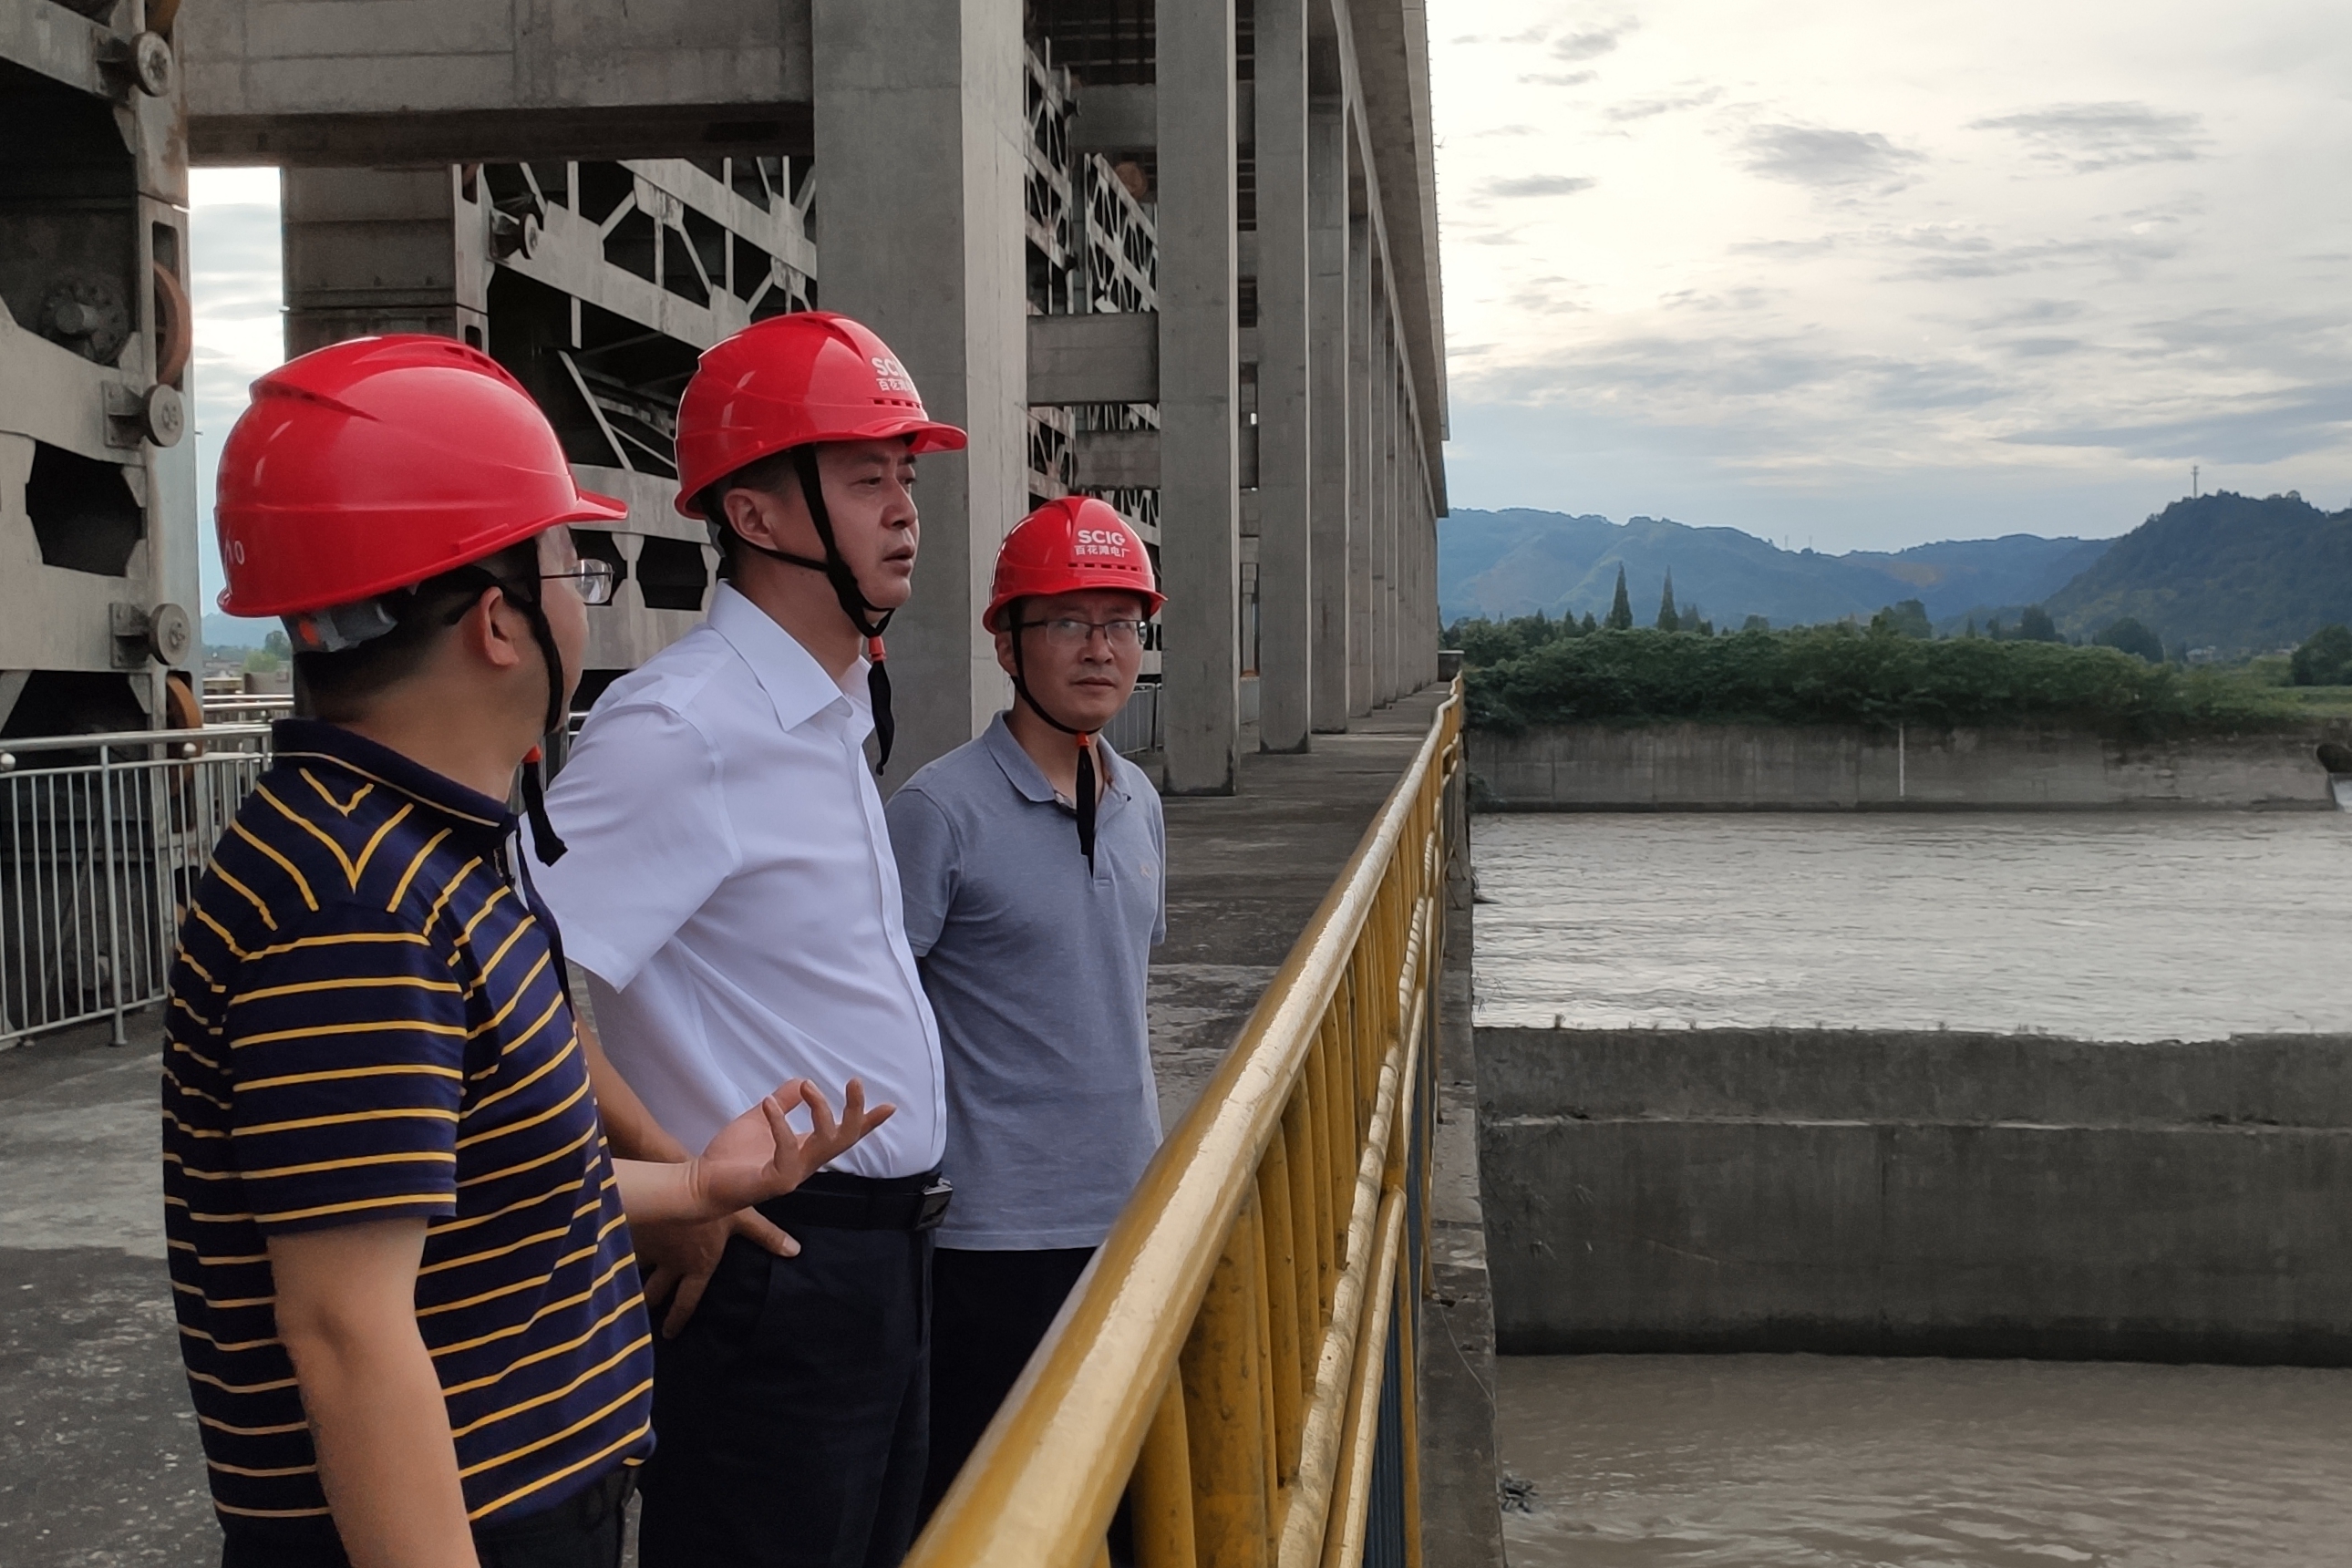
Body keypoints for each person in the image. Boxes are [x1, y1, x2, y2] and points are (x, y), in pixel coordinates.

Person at [166, 335, 892, 1568]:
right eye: (570, 562)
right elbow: (347, 1331)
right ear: (499, 621)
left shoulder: (423, 853)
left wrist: (693, 1187)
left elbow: (456, 1193)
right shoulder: (357, 902)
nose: (578, 600)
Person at [527, 311, 967, 1568]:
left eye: (906, 475)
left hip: (881, 1260)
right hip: (775, 1265)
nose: (905, 509)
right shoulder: (685, 726)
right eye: (865, 478)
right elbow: (505, 972)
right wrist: (674, 1184)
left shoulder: (830, 707)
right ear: (757, 513)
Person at [882, 497, 1168, 1516]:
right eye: (1068, 623)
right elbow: (880, 1010)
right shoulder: (937, 812)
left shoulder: (1139, 799)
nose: (1101, 649)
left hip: (1130, 1221)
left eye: (1122, 624)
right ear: (1006, 644)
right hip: (988, 1241)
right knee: (985, 1509)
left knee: (1126, 1510)